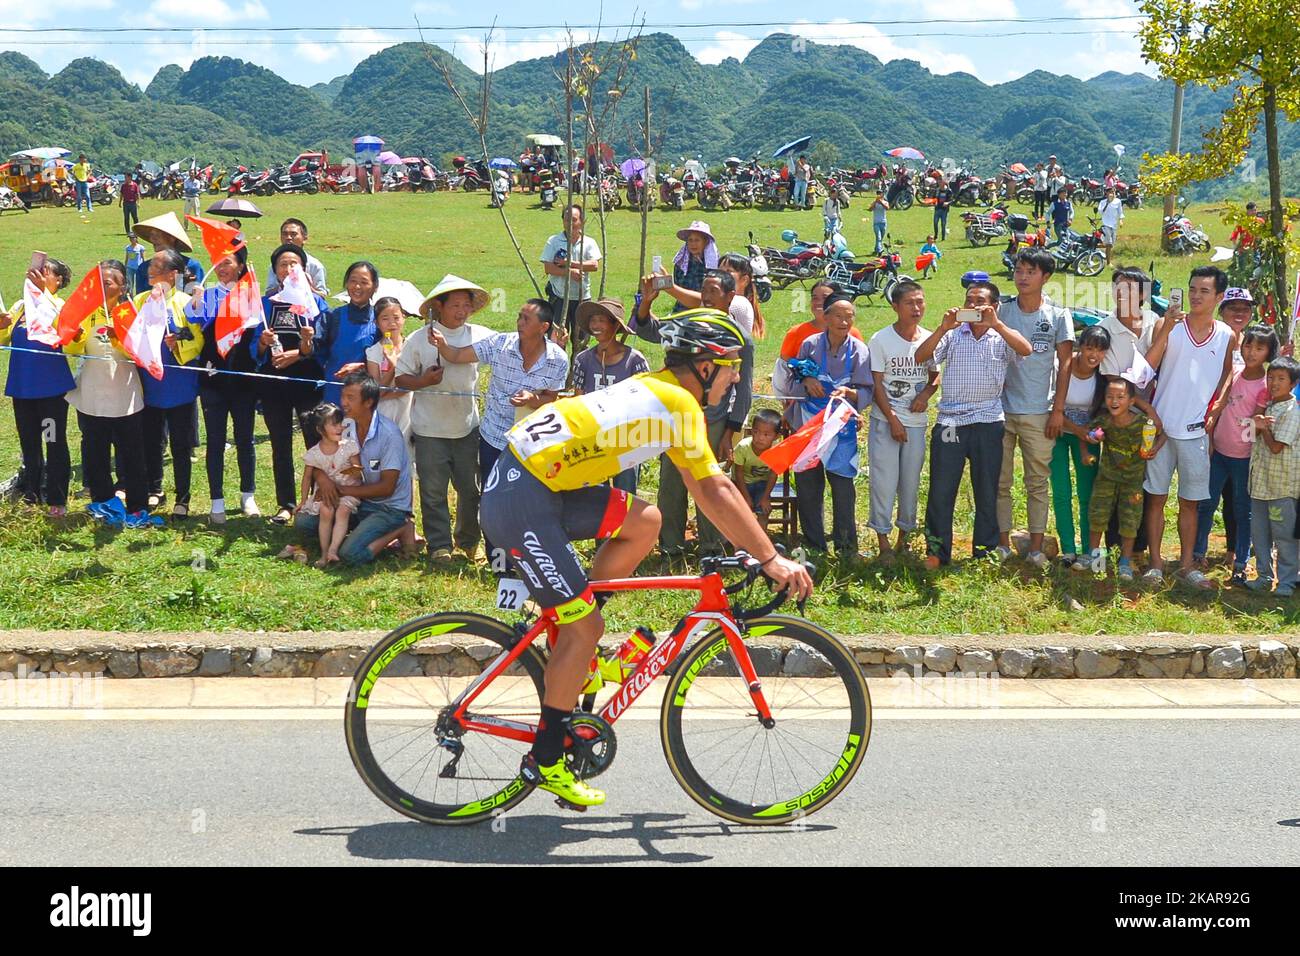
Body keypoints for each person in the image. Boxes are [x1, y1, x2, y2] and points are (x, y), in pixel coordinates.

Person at [477, 309, 813, 808]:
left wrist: (755, 547)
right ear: (703, 366)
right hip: (523, 498)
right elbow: (714, 488)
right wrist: (768, 558)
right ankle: (546, 759)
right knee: (585, 627)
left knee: (646, 521)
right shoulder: (678, 403)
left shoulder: (659, 389)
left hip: (534, 484)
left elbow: (707, 487)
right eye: (731, 368)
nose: (737, 379)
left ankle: (576, 640)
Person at [427, 299, 568, 568]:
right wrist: (442, 344)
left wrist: (533, 397)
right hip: (494, 437)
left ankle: (528, 557)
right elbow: (457, 355)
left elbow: (553, 397)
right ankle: (497, 559)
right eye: (519, 316)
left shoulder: (557, 359)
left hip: (531, 442)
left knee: (528, 499)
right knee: (493, 499)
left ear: (544, 327)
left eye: (526, 319)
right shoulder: (500, 344)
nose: (519, 323)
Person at [634, 270, 754, 558]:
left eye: (714, 291)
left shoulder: (740, 339)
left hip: (714, 420)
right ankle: (670, 547)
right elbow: (647, 329)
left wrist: (730, 431)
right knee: (671, 484)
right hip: (675, 419)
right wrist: (646, 302)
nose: (707, 296)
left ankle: (711, 549)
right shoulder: (687, 327)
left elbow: (745, 390)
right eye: (704, 290)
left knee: (709, 484)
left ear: (730, 297)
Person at [915, 280, 1032, 567]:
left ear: (994, 306)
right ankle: (937, 552)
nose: (973, 306)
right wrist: (943, 328)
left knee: (987, 489)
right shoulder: (953, 334)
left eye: (980, 301)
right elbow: (920, 357)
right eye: (969, 300)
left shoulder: (1001, 336)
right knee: (942, 489)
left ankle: (984, 551)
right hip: (950, 421)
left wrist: (998, 325)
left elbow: (1026, 349)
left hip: (988, 421)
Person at [1142, 265, 1235, 589]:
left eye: (1204, 291)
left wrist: (1218, 406)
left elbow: (1226, 375)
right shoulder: (1170, 326)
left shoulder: (1226, 335)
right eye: (1192, 288)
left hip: (1196, 432)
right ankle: (1155, 563)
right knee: (1155, 497)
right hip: (1162, 428)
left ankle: (1186, 565)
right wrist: (1166, 327)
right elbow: (1148, 367)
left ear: (1219, 297)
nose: (1196, 296)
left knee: (1190, 502)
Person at [397, 275, 492, 563]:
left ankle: (468, 541)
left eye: (466, 305)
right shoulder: (418, 340)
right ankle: (439, 545)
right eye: (455, 305)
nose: (462, 311)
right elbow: (400, 379)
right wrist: (423, 380)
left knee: (470, 489)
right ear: (439, 307)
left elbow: (510, 349)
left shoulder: (479, 336)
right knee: (433, 489)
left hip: (467, 427)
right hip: (429, 429)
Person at [1002, 248, 1074, 569]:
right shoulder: (1002, 313)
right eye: (1019, 270)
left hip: (1039, 411)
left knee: (1037, 481)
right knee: (1000, 481)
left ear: (1046, 277)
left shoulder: (1059, 316)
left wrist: (1058, 409)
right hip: (1002, 409)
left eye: (1030, 271)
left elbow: (1066, 362)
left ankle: (1035, 546)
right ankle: (1002, 544)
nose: (1023, 276)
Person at [62, 259, 150, 521]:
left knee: (132, 453)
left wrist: (119, 338)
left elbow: (142, 354)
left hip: (126, 396)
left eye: (108, 282)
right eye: (98, 281)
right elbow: (73, 350)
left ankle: (137, 504)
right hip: (92, 396)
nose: (101, 285)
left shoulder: (131, 312)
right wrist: (76, 336)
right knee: (94, 453)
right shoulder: (86, 313)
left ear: (122, 286)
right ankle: (102, 501)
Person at [788, 293, 874, 559]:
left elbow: (866, 390)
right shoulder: (810, 345)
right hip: (810, 424)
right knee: (808, 485)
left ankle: (846, 547)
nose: (844, 322)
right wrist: (806, 382)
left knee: (843, 487)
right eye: (838, 316)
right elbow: (795, 377)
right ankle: (814, 545)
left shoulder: (859, 350)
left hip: (842, 427)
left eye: (850, 317)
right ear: (825, 318)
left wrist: (850, 393)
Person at [299, 372, 416, 564]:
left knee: (351, 554)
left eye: (350, 398)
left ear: (368, 402)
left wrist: (340, 490)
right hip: (357, 502)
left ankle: (402, 529)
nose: (343, 402)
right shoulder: (344, 425)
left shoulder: (389, 435)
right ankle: (354, 532)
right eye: (343, 396)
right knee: (304, 523)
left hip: (388, 508)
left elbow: (387, 488)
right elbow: (320, 456)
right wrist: (323, 479)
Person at [184, 246, 261, 524]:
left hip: (243, 377)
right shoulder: (209, 293)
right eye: (218, 262)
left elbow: (258, 332)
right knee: (215, 440)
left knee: (245, 439)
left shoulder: (251, 294)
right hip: (212, 376)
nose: (222, 267)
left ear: (241, 266)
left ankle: (247, 495)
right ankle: (217, 499)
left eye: (228, 262)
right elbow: (192, 316)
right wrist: (195, 298)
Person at [254, 243, 329, 524]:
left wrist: (300, 351)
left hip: (308, 382)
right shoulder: (265, 304)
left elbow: (324, 345)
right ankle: (285, 504)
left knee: (315, 443)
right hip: (274, 385)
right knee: (280, 444)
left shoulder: (316, 303)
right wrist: (262, 345)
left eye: (294, 264)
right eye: (283, 264)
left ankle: (314, 501)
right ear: (275, 271)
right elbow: (253, 348)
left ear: (303, 268)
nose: (288, 269)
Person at [1196, 324, 1273, 584]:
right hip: (1218, 451)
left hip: (1243, 458)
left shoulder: (1265, 385)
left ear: (1268, 353)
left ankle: (1241, 561)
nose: (1252, 352)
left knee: (1242, 510)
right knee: (1206, 503)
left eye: (1259, 348)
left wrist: (1254, 426)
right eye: (1248, 346)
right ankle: (1198, 553)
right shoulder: (1237, 372)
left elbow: (1255, 425)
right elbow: (1223, 394)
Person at [867, 280, 938, 562]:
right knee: (883, 481)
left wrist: (926, 394)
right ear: (895, 306)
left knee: (910, 482)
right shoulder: (880, 340)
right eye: (910, 303)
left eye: (920, 301)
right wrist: (892, 419)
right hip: (885, 421)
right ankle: (883, 541)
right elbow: (876, 384)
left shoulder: (930, 338)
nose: (916, 307)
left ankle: (904, 539)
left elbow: (935, 375)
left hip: (917, 423)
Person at [0, 257, 74, 515]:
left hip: (50, 390)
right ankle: (32, 495)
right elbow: (5, 336)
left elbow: (63, 328)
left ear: (58, 281)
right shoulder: (21, 305)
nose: (37, 275)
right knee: (29, 444)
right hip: (22, 387)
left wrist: (42, 293)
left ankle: (56, 498)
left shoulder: (60, 305)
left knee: (53, 441)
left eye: (45, 272)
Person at [1195, 287, 1260, 570]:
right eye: (1233, 307)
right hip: (1213, 430)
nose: (1239, 312)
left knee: (1237, 499)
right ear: (1222, 310)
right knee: (1207, 496)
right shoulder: (1215, 338)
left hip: (1242, 439)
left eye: (1245, 308)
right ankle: (1197, 550)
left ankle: (1234, 551)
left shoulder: (1256, 343)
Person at [137, 249, 204, 518]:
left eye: (156, 266)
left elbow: (198, 341)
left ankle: (183, 498)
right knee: (151, 441)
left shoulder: (187, 303)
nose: (150, 271)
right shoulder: (140, 300)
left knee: (180, 445)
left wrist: (180, 342)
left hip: (180, 386)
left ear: (173, 274)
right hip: (149, 384)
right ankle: (155, 489)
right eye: (151, 266)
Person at [1076, 378, 1163, 582]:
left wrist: (1154, 450)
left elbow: (1162, 434)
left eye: (1120, 397)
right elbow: (1084, 434)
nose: (1114, 401)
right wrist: (1085, 453)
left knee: (1130, 519)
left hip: (1132, 482)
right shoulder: (1104, 421)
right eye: (1110, 397)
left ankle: (1125, 562)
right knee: (1098, 514)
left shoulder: (1142, 423)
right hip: (1106, 478)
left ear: (1132, 401)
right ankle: (1094, 556)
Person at [571, 297, 650, 494]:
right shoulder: (583, 360)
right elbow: (578, 400)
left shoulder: (635, 361)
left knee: (625, 495)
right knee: (595, 498)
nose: (595, 325)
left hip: (626, 440)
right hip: (594, 439)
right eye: (593, 320)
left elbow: (645, 402)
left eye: (601, 320)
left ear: (615, 325)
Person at [1049, 326, 1109, 566]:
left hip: (1088, 437)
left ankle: (1088, 549)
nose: (1093, 355)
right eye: (1089, 347)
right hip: (1057, 433)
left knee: (1088, 494)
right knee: (1061, 491)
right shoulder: (1060, 367)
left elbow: (1103, 415)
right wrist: (1078, 431)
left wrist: (1091, 437)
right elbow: (1053, 408)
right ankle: (1067, 549)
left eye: (1100, 350)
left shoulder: (1103, 377)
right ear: (1079, 346)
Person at [1246, 356, 1300, 595]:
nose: (1274, 383)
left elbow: (1277, 446)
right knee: (1259, 534)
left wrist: (1263, 428)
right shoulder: (1267, 407)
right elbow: (1248, 438)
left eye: (1281, 379)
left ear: (1293, 383)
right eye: (1271, 377)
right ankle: (1264, 576)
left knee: (1284, 536)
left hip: (1281, 488)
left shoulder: (1292, 411)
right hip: (1259, 485)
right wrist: (1254, 425)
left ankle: (1287, 581)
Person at [297, 403, 362, 568]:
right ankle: (324, 552)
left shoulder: (349, 446)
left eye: (340, 423)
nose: (340, 427)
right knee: (326, 512)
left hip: (348, 492)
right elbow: (307, 478)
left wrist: (354, 471)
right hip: (327, 494)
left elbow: (359, 471)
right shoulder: (314, 453)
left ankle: (333, 549)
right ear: (320, 429)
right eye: (334, 424)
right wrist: (303, 500)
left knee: (342, 511)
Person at [318, 261, 380, 405]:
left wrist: (362, 366)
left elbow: (386, 359)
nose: (357, 287)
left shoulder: (379, 320)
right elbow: (319, 352)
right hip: (334, 392)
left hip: (365, 394)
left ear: (374, 287)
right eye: (353, 281)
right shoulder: (333, 316)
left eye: (364, 282)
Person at [539, 204, 601, 345]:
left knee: (581, 341)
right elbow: (548, 268)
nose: (569, 223)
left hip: (582, 298)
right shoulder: (553, 241)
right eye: (566, 219)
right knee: (557, 340)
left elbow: (594, 265)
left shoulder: (589, 243)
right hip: (559, 298)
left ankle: (577, 367)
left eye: (573, 219)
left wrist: (569, 263)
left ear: (582, 221)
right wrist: (569, 273)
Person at [365, 296, 411, 438]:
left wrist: (394, 363)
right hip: (384, 414)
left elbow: (413, 385)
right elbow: (377, 393)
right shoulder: (373, 352)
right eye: (385, 318)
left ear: (404, 318)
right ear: (376, 323)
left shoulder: (412, 347)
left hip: (409, 415)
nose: (392, 323)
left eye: (396, 317)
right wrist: (393, 367)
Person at [132, 212, 205, 297]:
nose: (152, 239)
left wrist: (190, 287)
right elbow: (139, 303)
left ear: (172, 237)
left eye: (157, 234)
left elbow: (199, 303)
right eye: (151, 235)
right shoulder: (144, 268)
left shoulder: (191, 266)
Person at [732, 408, 781, 519]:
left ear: (776, 436)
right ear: (751, 431)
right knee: (741, 512)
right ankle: (739, 536)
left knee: (764, 511)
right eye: (756, 432)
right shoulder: (743, 447)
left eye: (766, 434)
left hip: (763, 485)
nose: (760, 438)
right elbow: (738, 473)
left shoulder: (777, 451)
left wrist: (765, 497)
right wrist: (746, 497)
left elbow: (774, 475)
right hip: (742, 484)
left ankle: (762, 536)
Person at [263, 219, 329, 296]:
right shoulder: (275, 265)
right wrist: (283, 285)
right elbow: (268, 293)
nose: (288, 237)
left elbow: (322, 295)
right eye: (285, 234)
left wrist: (307, 287)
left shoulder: (315, 266)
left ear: (304, 238)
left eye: (293, 234)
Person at [1097, 187, 1124, 261]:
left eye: (1113, 192)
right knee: (1109, 244)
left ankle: (1095, 247)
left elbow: (1120, 212)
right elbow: (1101, 212)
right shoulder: (1103, 202)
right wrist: (1107, 203)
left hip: (1114, 225)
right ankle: (1108, 261)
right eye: (1110, 192)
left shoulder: (1118, 201)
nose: (1112, 194)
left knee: (1111, 244)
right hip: (1106, 225)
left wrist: (1121, 220)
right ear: (1107, 193)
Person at [124, 232, 146, 296]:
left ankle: (138, 296)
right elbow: (127, 257)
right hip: (130, 267)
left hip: (138, 267)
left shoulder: (141, 247)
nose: (131, 239)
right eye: (130, 238)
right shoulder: (128, 248)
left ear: (136, 238)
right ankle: (131, 296)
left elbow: (143, 257)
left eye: (132, 238)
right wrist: (125, 266)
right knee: (130, 283)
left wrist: (144, 266)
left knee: (138, 283)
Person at [932, 175, 953, 241]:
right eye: (938, 181)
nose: (939, 183)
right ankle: (936, 236)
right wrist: (934, 202)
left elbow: (952, 200)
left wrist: (947, 203)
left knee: (943, 224)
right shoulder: (937, 190)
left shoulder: (948, 191)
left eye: (940, 181)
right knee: (935, 222)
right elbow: (934, 198)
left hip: (944, 210)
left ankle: (943, 237)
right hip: (937, 209)